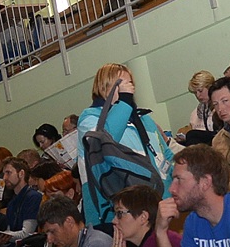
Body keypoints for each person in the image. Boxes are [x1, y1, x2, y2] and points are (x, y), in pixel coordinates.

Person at [74, 63, 173, 228]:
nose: (129, 88)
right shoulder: (89, 119)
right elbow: (103, 141)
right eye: (122, 84)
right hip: (114, 209)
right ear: (104, 86)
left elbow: (165, 155)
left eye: (130, 83)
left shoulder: (143, 119)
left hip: (157, 201)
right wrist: (125, 102)